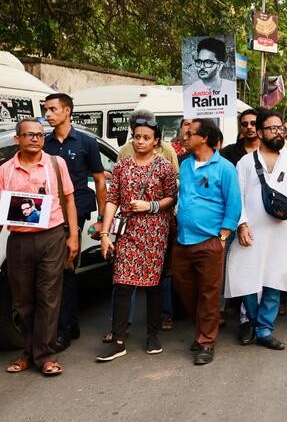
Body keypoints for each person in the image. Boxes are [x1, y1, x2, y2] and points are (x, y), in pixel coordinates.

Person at [225, 110, 287, 350]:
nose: (279, 132)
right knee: (246, 278)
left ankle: (264, 330)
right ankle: (252, 321)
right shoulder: (245, 162)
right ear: (261, 133)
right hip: (251, 232)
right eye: (273, 128)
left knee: (275, 279)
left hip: (283, 232)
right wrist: (242, 225)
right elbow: (237, 197)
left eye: (280, 128)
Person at [96, 119, 177, 361]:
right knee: (122, 283)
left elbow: (171, 197)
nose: (140, 141)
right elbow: (112, 199)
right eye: (137, 136)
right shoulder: (122, 166)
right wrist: (104, 234)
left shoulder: (163, 166)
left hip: (156, 232)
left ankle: (153, 335)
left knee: (153, 286)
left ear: (156, 141)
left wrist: (150, 206)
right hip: (128, 232)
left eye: (146, 137)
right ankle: (118, 340)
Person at [2, 118, 78, 377]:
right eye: (29, 134)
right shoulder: (5, 170)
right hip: (19, 241)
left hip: (51, 237)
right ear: (18, 139)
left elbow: (69, 199)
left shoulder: (56, 164)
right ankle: (28, 352)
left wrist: (73, 236)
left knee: (48, 297)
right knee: (22, 300)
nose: (35, 138)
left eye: (39, 134)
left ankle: (45, 356)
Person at [172, 119, 242, 365]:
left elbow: (234, 204)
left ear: (204, 138)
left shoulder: (225, 168)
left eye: (190, 134)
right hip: (183, 240)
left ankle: (206, 342)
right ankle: (202, 329)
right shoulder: (185, 165)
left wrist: (223, 236)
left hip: (210, 241)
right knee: (185, 290)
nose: (185, 137)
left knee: (209, 294)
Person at [43, 93, 106, 352]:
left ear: (67, 111)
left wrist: (101, 219)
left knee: (66, 269)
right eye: (46, 110)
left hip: (74, 213)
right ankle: (71, 324)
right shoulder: (43, 144)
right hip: (47, 213)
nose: (47, 114)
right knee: (55, 272)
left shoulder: (86, 143)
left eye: (52, 109)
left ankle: (65, 329)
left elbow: (100, 180)